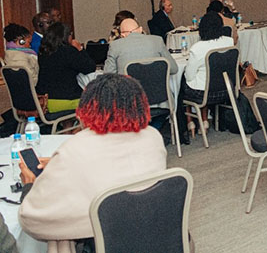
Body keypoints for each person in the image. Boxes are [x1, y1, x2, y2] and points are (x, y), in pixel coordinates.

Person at [18, 74, 167, 252]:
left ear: (88, 108)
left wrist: (28, 185)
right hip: (153, 234)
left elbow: (31, 219)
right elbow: (121, 168)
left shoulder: (75, 147)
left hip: (104, 239)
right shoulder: (153, 137)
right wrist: (63, 164)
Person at [180, 11, 235, 137]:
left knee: (184, 81)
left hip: (204, 94)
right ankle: (204, 120)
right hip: (227, 90)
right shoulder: (229, 41)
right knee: (204, 80)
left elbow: (189, 76)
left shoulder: (198, 48)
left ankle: (190, 122)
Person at [36, 22, 96, 112]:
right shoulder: (68, 51)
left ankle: (67, 124)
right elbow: (90, 68)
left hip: (45, 101)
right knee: (96, 100)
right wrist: (80, 49)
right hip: (67, 100)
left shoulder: (43, 52)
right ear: (67, 36)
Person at [103, 18, 178, 76]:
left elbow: (107, 76)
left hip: (129, 95)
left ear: (122, 35)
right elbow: (173, 69)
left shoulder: (115, 46)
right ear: (140, 29)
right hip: (158, 94)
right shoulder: (157, 40)